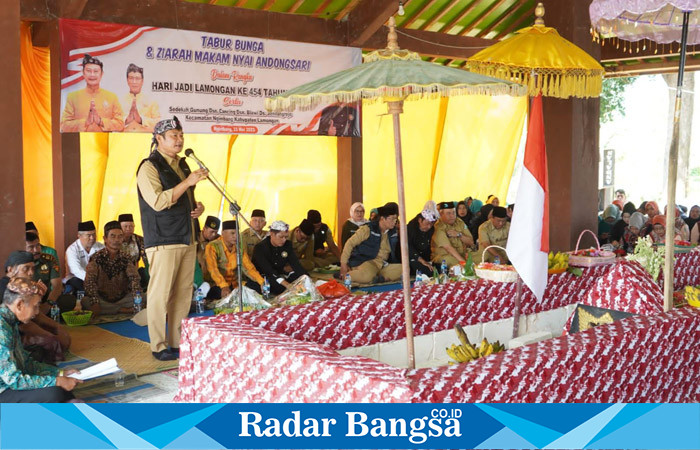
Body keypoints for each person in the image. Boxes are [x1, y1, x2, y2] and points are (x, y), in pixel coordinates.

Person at [136, 116, 208, 361]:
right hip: (164, 239)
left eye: (181, 135)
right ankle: (158, 345)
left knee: (183, 292)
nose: (179, 140)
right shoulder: (148, 166)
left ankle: (177, 343)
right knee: (160, 293)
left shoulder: (184, 164)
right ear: (159, 139)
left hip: (187, 236)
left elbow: (182, 198)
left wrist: (197, 208)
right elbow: (157, 202)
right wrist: (188, 182)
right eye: (174, 136)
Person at [0, 278, 82, 402]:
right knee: (54, 392)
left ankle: (72, 406)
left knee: (58, 385)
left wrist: (59, 373)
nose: (37, 312)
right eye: (35, 306)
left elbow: (26, 364)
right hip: (3, 390)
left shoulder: (10, 322)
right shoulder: (2, 329)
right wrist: (56, 381)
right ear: (19, 305)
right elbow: (14, 380)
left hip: (10, 386)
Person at [1, 251, 70, 363]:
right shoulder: (6, 288)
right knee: (50, 341)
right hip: (17, 331)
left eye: (33, 269)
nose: (31, 273)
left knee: (57, 336)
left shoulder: (26, 286)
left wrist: (57, 327)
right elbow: (22, 325)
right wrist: (49, 335)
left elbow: (35, 314)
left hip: (24, 324)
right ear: (10, 270)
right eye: (26, 269)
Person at [82, 221, 141, 316]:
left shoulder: (126, 257)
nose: (116, 240)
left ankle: (119, 309)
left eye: (120, 236)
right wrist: (95, 301)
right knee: (85, 301)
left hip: (123, 299)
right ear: (105, 238)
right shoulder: (96, 257)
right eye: (113, 236)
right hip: (101, 299)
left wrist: (137, 298)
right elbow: (89, 282)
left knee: (146, 298)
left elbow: (134, 279)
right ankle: (123, 310)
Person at [339, 204, 402, 284]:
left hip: (382, 265)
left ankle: (380, 278)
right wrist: (343, 264)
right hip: (366, 262)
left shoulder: (392, 232)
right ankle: (345, 276)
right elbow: (349, 243)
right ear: (382, 218)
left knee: (404, 268)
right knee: (367, 276)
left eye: (396, 219)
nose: (395, 222)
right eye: (392, 219)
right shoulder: (368, 229)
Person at [60, 54, 124, 132]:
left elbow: (120, 124)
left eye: (96, 71)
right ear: (83, 73)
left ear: (101, 74)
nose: (92, 75)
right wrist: (85, 122)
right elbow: (64, 125)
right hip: (80, 142)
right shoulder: (72, 97)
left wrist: (101, 121)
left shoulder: (112, 97)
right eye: (89, 71)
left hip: (105, 142)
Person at [205, 220, 264, 299]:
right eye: (232, 233)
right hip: (217, 285)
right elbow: (213, 270)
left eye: (237, 233)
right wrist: (223, 286)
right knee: (223, 294)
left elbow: (249, 268)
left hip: (235, 284)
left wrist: (262, 282)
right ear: (223, 233)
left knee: (257, 287)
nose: (236, 236)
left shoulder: (238, 249)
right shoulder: (212, 246)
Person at [252, 221, 307, 296]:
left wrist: (306, 279)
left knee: (300, 279)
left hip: (279, 275)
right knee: (280, 287)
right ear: (272, 234)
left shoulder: (287, 245)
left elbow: (296, 264)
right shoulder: (260, 248)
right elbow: (269, 271)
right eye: (281, 237)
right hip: (264, 277)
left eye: (286, 237)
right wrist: (287, 285)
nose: (284, 240)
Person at [26, 232, 72, 315]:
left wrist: (48, 304)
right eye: (31, 247)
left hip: (46, 299)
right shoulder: (20, 263)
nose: (36, 250)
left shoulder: (49, 259)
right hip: (27, 299)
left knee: (68, 301)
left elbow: (57, 285)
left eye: (38, 245)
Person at [64, 221, 105, 293]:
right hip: (78, 279)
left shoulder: (100, 247)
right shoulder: (72, 249)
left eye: (94, 234)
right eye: (89, 235)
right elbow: (76, 270)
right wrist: (93, 280)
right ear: (79, 236)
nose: (92, 238)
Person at [432, 201, 475, 268]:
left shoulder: (459, 222)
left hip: (462, 254)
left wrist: (459, 235)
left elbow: (471, 242)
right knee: (455, 263)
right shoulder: (438, 226)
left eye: (454, 212)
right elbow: (448, 248)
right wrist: (463, 262)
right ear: (441, 214)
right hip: (445, 256)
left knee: (478, 259)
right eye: (448, 213)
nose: (452, 216)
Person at [121, 63, 160, 132]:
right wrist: (126, 120)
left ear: (142, 81)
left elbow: (158, 124)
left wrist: (141, 120)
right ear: (127, 80)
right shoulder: (119, 101)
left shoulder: (151, 101)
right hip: (123, 139)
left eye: (137, 78)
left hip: (144, 140)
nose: (134, 82)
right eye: (131, 78)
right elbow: (113, 123)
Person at [406, 208, 438, 276]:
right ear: (420, 220)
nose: (429, 227)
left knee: (439, 269)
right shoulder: (410, 228)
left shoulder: (431, 229)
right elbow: (408, 247)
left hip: (425, 258)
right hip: (411, 258)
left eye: (431, 224)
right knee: (427, 272)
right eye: (427, 223)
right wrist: (421, 260)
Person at [196, 215, 220, 288]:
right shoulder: (195, 239)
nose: (213, 235)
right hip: (198, 281)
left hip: (212, 282)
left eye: (216, 232)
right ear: (204, 229)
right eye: (211, 232)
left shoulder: (218, 240)